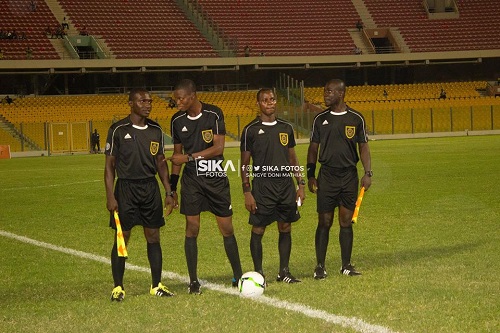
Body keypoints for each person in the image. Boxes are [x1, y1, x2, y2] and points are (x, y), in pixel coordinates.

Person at [168, 79, 243, 295]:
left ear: (193, 96)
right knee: (192, 228)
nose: (178, 102)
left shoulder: (214, 114)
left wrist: (189, 158)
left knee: (226, 228)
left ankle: (238, 276)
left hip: (215, 177)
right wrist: (172, 189)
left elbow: (218, 148)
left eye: (181, 98)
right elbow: (177, 158)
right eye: (176, 99)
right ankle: (193, 281)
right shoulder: (176, 120)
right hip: (192, 182)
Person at [104, 87, 176, 301]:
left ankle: (156, 285)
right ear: (131, 103)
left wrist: (169, 191)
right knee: (122, 238)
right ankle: (118, 287)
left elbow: (161, 163)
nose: (147, 104)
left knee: (153, 236)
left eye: (150, 101)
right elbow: (109, 166)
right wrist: (110, 195)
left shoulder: (155, 129)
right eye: (142, 101)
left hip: (150, 189)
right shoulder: (118, 129)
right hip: (125, 188)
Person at [307, 79, 372, 279]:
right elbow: (313, 149)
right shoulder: (320, 119)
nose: (325, 94)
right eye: (325, 91)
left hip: (349, 176)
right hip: (327, 175)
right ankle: (320, 266)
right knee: (324, 221)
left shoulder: (356, 118)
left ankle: (346, 265)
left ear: (341, 93)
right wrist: (310, 174)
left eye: (329, 91)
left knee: (345, 221)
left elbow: (363, 147)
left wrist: (368, 172)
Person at [240, 88, 305, 284]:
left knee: (285, 227)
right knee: (258, 229)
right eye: (265, 100)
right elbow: (244, 164)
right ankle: (259, 273)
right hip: (262, 186)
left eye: (273, 99)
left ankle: (284, 271)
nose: (270, 103)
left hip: (285, 185)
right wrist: (247, 191)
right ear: (259, 104)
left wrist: (300, 184)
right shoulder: (250, 130)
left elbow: (293, 159)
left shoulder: (286, 128)